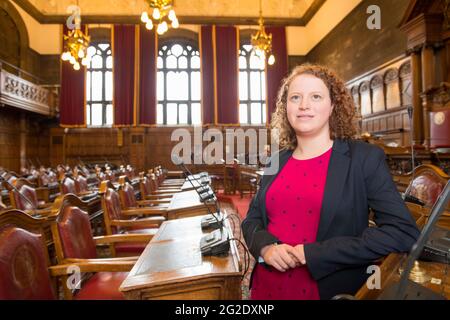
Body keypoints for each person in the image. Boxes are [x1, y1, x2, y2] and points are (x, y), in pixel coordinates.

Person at [241, 64, 420, 300]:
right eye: (296, 97)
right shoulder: (276, 160)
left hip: (327, 290)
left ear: (332, 106)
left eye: (316, 96)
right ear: (286, 108)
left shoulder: (363, 158)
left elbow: (402, 232)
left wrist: (315, 253)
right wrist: (266, 247)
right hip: (267, 287)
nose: (304, 105)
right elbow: (252, 219)